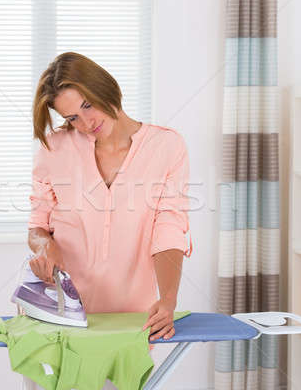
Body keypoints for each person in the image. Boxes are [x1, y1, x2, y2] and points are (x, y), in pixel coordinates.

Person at [24, 52, 193, 389]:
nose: (87, 123)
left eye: (88, 105)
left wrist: (168, 298)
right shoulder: (55, 149)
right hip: (61, 319)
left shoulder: (166, 146)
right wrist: (46, 247)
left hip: (130, 321)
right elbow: (37, 224)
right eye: (72, 117)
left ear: (105, 87)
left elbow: (169, 227)